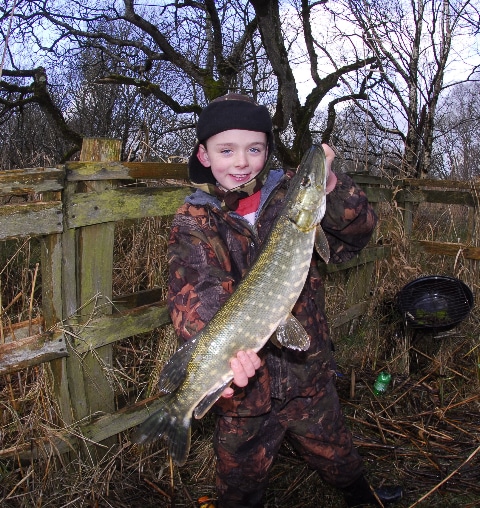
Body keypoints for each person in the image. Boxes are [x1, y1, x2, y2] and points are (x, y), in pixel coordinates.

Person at [167, 93, 403, 507]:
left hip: (306, 374)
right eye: (227, 150)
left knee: (338, 453)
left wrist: (330, 185)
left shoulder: (291, 194)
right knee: (239, 483)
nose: (241, 162)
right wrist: (216, 353)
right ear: (203, 155)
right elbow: (194, 294)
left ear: (267, 151)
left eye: (254, 149)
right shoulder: (194, 221)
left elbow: (358, 233)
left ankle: (362, 497)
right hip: (245, 398)